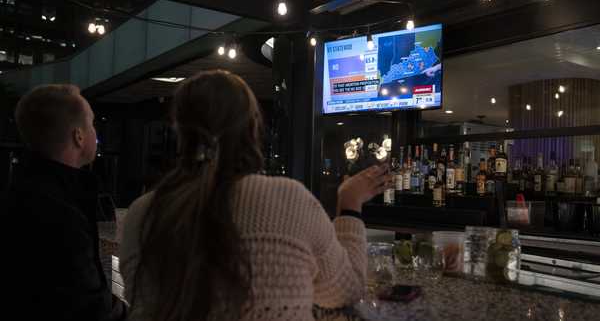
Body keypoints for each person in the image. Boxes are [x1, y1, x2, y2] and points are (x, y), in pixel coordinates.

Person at [119, 70, 392, 321]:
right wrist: (350, 205)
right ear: (253, 129)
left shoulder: (141, 215)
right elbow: (346, 290)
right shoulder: (289, 201)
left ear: (179, 132)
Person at [0, 84, 126, 320]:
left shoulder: (20, 192)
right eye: (91, 123)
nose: (94, 133)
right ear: (78, 136)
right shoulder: (61, 216)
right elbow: (90, 306)